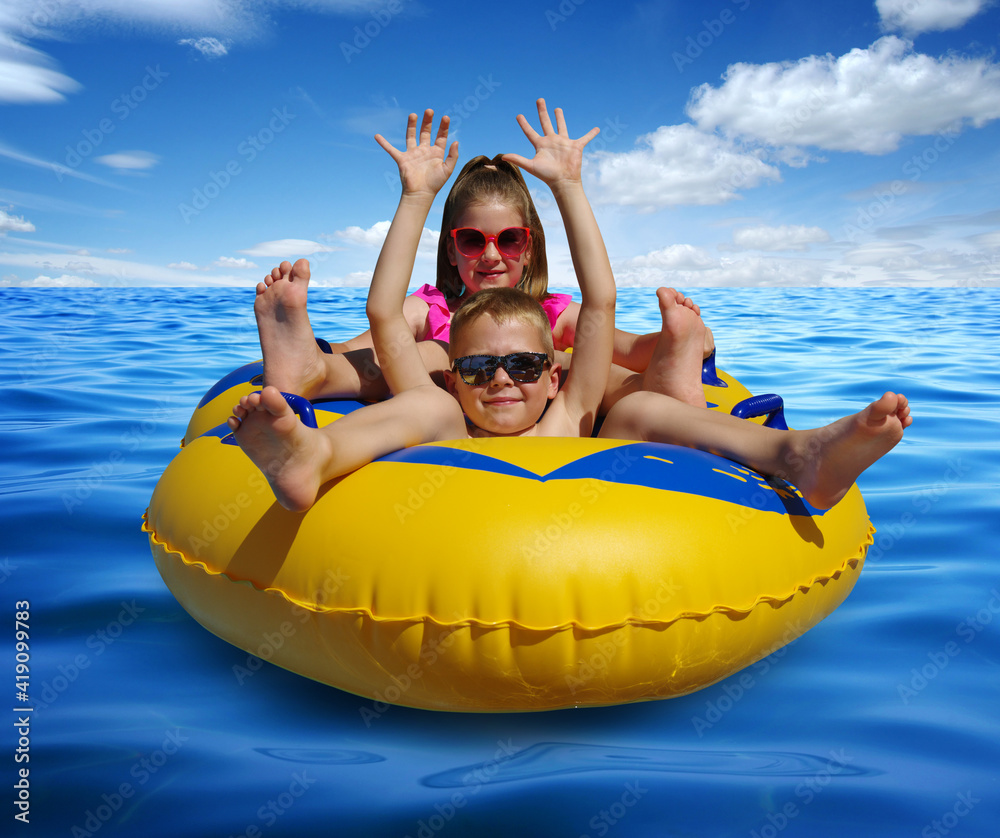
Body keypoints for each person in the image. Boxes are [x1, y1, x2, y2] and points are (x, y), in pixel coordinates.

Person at [230, 103, 912, 517]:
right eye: (480, 368)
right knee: (423, 390)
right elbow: (384, 314)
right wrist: (414, 199)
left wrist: (569, 188)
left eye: (525, 365)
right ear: (458, 374)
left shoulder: (571, 414)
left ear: (553, 375)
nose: (501, 379)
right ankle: (312, 455)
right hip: (438, 393)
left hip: (596, 417)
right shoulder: (445, 414)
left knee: (641, 408)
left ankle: (797, 455)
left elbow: (600, 304)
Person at [251, 106, 712, 411]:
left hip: (542, 394)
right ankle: (310, 372)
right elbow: (365, 341)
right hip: (437, 390)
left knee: (569, 360)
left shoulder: (550, 313)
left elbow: (626, 347)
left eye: (509, 239)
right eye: (472, 240)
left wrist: (681, 341)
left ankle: (664, 383)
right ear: (451, 250)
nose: (491, 254)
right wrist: (321, 352)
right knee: (433, 350)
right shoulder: (431, 308)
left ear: (528, 247)